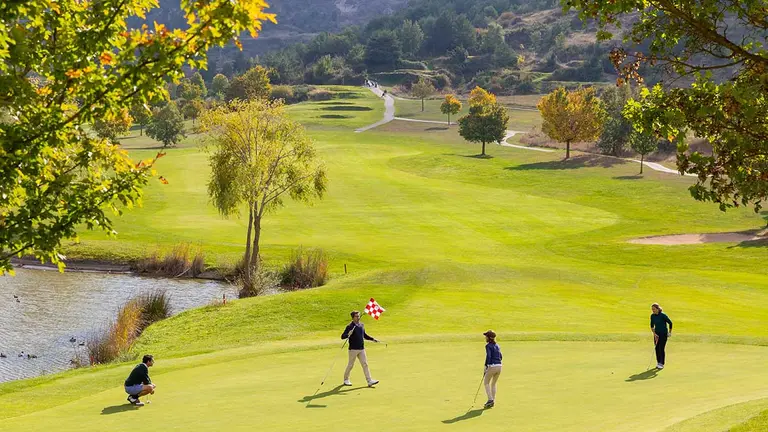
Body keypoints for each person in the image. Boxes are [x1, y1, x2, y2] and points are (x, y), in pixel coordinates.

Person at [341, 311, 380, 387]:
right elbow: (342, 336)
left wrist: (372, 339)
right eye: (356, 316)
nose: (358, 317)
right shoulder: (350, 326)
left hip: (361, 348)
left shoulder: (361, 325)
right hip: (353, 349)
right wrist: (348, 334)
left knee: (365, 364)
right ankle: (346, 379)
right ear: (353, 317)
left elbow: (364, 335)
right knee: (351, 365)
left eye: (358, 316)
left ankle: (369, 381)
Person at [482, 330, 502, 408]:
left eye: (486, 336)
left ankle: (490, 400)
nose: (485, 338)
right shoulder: (497, 345)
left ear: (489, 338)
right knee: (493, 384)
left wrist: (486, 366)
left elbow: (488, 356)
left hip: (492, 366)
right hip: (499, 366)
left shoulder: (488, 346)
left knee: (486, 382)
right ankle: (493, 400)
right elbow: (500, 356)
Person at [650, 303, 673, 369]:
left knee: (661, 348)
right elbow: (652, 326)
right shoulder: (652, 316)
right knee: (656, 348)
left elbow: (670, 323)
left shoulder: (663, 315)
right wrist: (654, 334)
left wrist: (669, 332)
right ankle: (658, 362)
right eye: (652, 309)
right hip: (656, 334)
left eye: (654, 309)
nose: (653, 311)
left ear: (657, 309)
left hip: (663, 334)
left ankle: (662, 363)